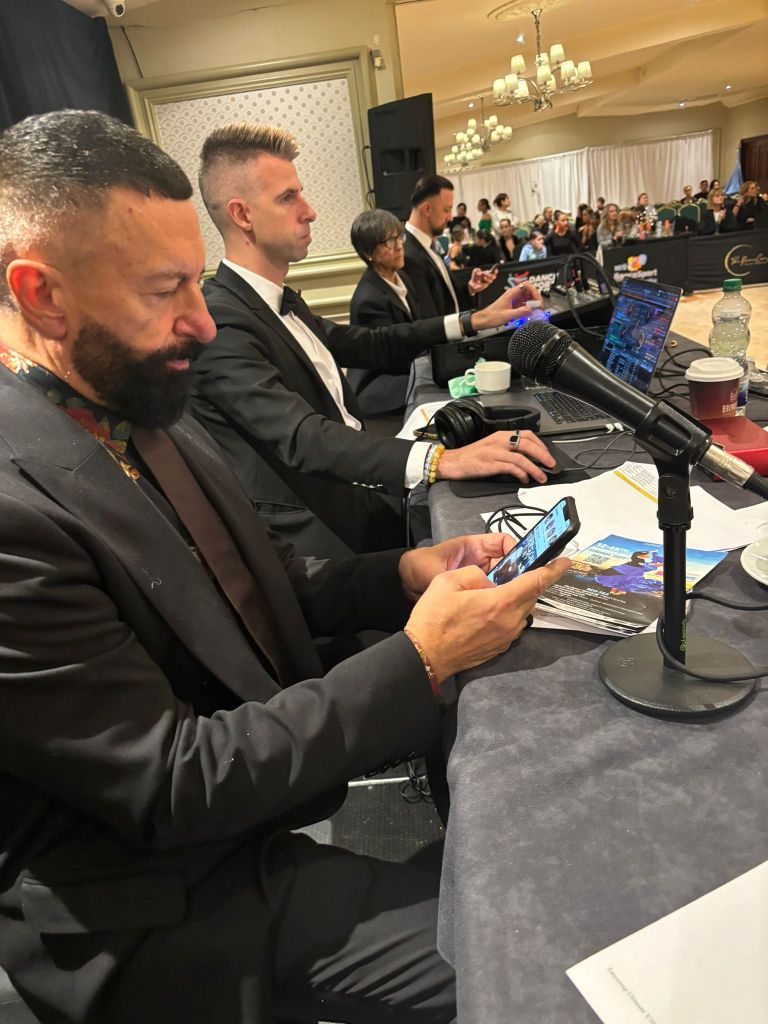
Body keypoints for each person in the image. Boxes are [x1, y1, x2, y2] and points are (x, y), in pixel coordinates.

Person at [0, 107, 572, 1024]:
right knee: (530, 949)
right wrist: (421, 657)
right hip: (147, 902)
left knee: (526, 821)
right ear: (43, 297)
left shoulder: (130, 398)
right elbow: (176, 782)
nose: (202, 324)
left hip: (228, 815)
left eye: (197, 282)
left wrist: (406, 572)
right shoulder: (13, 513)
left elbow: (268, 578)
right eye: (166, 291)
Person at [191, 126, 555, 560]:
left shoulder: (276, 301)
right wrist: (441, 459)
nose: (310, 212)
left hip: (362, 496)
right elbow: (302, 437)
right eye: (288, 198)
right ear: (242, 215)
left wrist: (473, 319)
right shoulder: (220, 320)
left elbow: (373, 343)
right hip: (321, 545)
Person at [347, 209, 419, 414]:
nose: (399, 246)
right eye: (389, 241)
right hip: (381, 388)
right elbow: (393, 354)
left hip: (404, 372)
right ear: (368, 253)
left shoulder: (402, 277)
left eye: (399, 237)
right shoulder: (369, 300)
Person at [404, 175, 498, 318]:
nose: (451, 217)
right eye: (446, 210)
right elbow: (429, 320)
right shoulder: (408, 254)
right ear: (427, 209)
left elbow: (445, 300)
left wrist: (470, 289)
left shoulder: (428, 245)